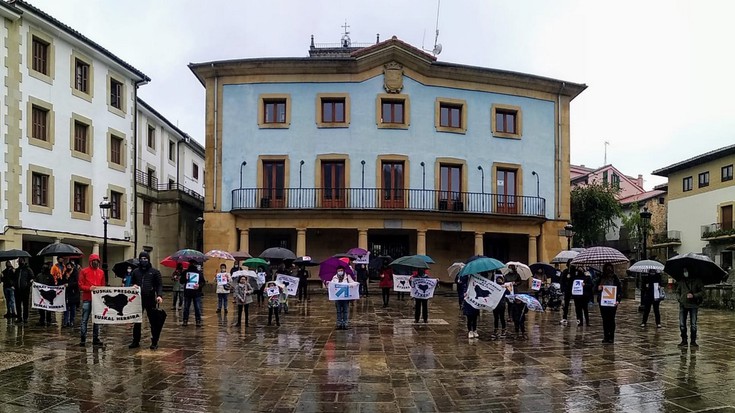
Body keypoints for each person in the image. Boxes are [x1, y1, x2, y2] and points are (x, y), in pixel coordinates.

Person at [129, 251, 164, 350]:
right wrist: (133, 286)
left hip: (150, 299)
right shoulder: (135, 272)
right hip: (138, 300)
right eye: (141, 259)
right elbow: (131, 283)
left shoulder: (155, 272)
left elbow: (159, 285)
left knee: (153, 321)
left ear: (148, 260)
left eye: (145, 259)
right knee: (137, 321)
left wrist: (159, 295)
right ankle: (136, 340)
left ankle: (154, 341)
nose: (143, 261)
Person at [79, 254, 105, 347]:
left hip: (97, 300)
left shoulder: (101, 272)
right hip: (87, 298)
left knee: (96, 320)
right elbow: (80, 285)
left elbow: (103, 285)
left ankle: (95, 338)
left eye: (97, 261)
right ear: (91, 261)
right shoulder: (84, 271)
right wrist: (89, 288)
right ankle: (83, 338)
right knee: (84, 319)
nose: (96, 263)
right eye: (94, 261)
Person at [675, 266, 704, 347]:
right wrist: (679, 299)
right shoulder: (682, 281)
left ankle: (693, 341)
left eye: (686, 271)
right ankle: (684, 340)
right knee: (682, 324)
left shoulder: (697, 281)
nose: (685, 273)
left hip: (693, 305)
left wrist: (694, 295)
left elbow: (702, 292)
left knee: (693, 324)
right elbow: (677, 291)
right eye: (684, 271)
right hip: (683, 304)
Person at [595, 263, 622, 344]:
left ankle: (611, 337)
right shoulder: (601, 278)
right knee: (605, 320)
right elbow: (594, 288)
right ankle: (606, 336)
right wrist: (598, 288)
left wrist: (618, 300)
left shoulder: (615, 278)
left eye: (610, 268)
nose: (609, 270)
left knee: (611, 319)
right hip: (603, 302)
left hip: (612, 302)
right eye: (607, 268)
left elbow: (619, 290)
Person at [181, 260, 205, 327]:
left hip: (196, 293)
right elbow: (181, 281)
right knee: (186, 307)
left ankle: (197, 320)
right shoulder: (185, 272)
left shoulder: (199, 273)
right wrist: (185, 278)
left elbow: (203, 282)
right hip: (188, 292)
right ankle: (186, 320)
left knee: (196, 307)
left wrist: (199, 286)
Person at [332, 265, 354, 329]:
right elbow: (332, 284)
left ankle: (345, 323)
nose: (340, 272)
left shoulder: (347, 277)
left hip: (345, 297)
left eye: (341, 270)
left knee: (345, 310)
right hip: (338, 297)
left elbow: (352, 283)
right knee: (338, 311)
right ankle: (339, 323)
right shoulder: (335, 277)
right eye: (339, 270)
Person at [14, 257, 34, 324]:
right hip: (17, 290)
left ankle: (25, 318)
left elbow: (32, 278)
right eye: (19, 261)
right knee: (18, 304)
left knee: (25, 304)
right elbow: (14, 278)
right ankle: (19, 317)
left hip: (25, 290)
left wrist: (28, 285)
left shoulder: (28, 269)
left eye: (21, 261)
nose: (20, 262)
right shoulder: (17, 270)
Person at [36, 262, 55, 326]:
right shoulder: (39, 276)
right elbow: (36, 283)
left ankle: (48, 320)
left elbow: (53, 285)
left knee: (48, 308)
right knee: (41, 308)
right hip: (41, 294)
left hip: (48, 295)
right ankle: (42, 320)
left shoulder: (50, 276)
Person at [62, 261, 80, 328]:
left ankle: (71, 321)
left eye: (70, 266)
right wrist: (65, 279)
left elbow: (76, 283)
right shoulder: (65, 273)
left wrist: (69, 284)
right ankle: (65, 322)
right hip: (67, 293)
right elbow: (62, 281)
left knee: (72, 308)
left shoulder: (75, 273)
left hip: (73, 293)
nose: (68, 267)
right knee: (66, 308)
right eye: (67, 266)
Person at [491, 275, 510, 339]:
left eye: (500, 280)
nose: (499, 281)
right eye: (498, 280)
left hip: (501, 304)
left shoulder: (504, 287)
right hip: (495, 304)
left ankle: (503, 329)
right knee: (496, 318)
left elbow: (508, 293)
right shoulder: (494, 287)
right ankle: (496, 329)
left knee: (502, 317)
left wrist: (505, 287)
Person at [559, 260, 574, 325]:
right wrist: (563, 289)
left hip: (574, 289)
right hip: (567, 289)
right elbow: (562, 281)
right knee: (566, 304)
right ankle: (564, 317)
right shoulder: (565, 271)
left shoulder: (575, 272)